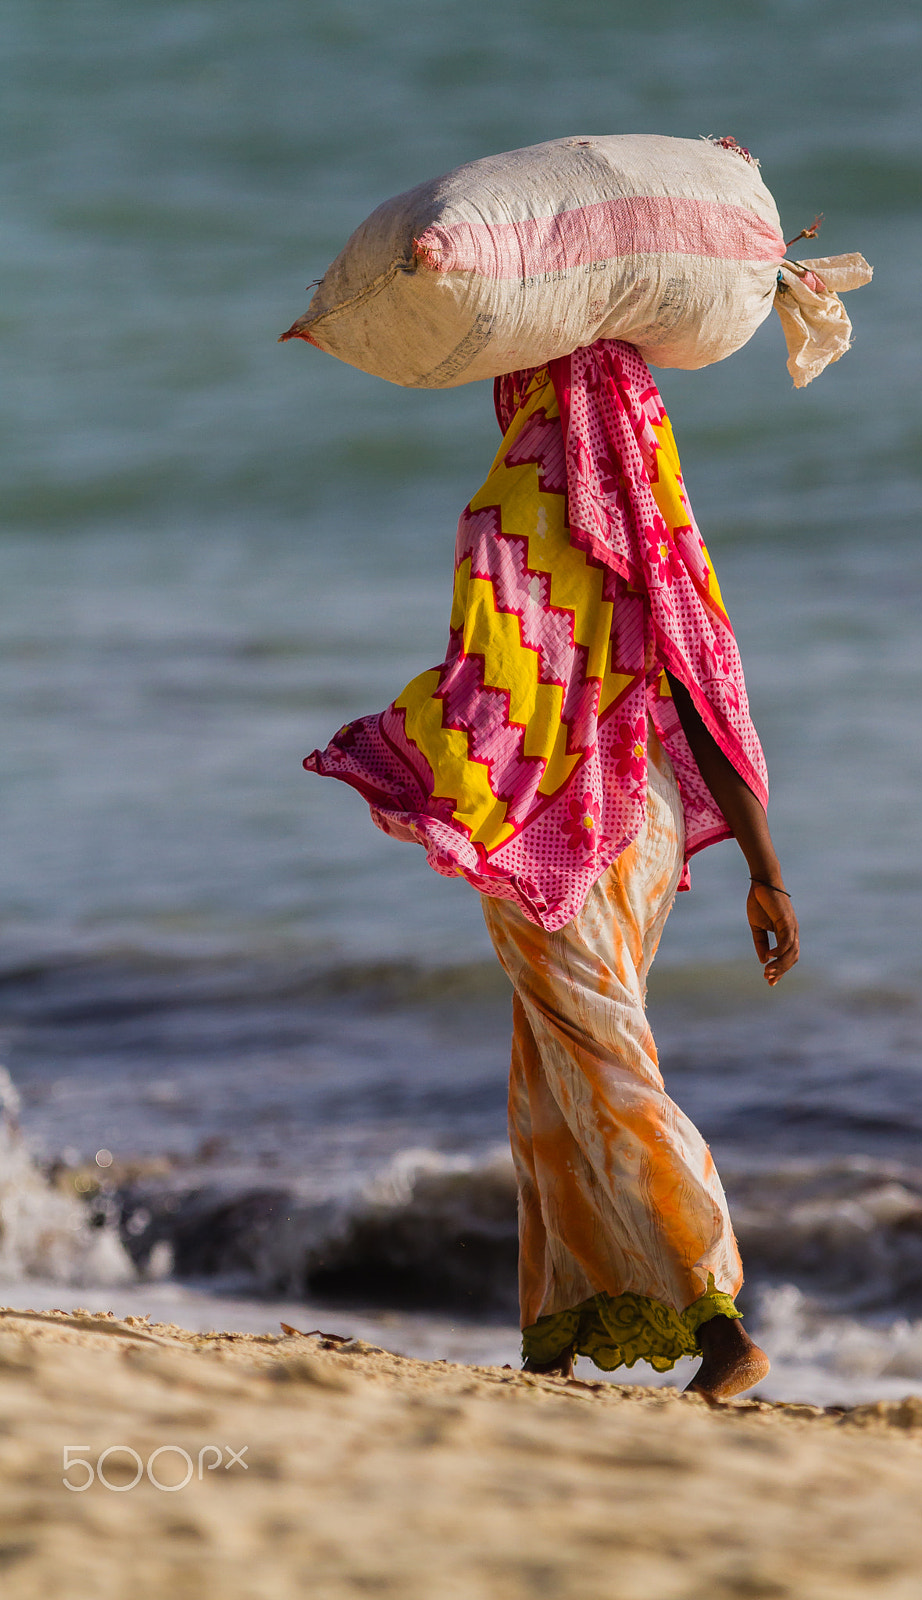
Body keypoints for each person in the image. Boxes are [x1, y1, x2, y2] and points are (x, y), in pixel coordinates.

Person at [304, 338, 798, 1401]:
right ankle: (556, 1330)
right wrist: (765, 867)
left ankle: (717, 1320)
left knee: (601, 1063)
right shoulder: (657, 524)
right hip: (646, 815)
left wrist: (401, 749)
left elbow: (492, 684)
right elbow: (705, 693)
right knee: (554, 1062)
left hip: (557, 814)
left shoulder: (518, 501)